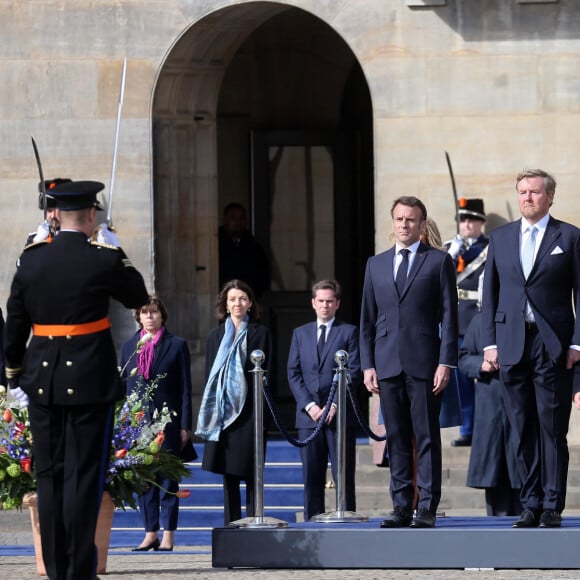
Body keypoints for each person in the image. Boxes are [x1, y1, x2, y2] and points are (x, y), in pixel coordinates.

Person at [3, 180, 148, 579]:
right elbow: (138, 295)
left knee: (49, 476)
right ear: (90, 215)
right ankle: (79, 571)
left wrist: (13, 371)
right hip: (89, 379)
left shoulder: (31, 259)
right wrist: (115, 248)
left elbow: (15, 322)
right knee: (85, 475)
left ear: (56, 215)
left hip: (43, 380)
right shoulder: (102, 258)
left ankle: (55, 569)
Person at [482, 168, 580, 528]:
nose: (527, 198)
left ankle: (552, 504)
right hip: (510, 342)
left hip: (551, 342)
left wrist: (577, 342)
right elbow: (489, 294)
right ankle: (531, 501)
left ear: (550, 196)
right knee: (520, 425)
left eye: (535, 192)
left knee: (551, 427)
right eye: (522, 192)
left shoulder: (569, 237)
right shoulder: (501, 237)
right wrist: (490, 342)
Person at [360, 196, 458, 529]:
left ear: (421, 224)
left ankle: (427, 506)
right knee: (397, 437)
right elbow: (367, 321)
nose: (404, 224)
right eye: (399, 219)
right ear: (393, 223)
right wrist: (367, 365)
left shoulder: (438, 262)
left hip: (425, 363)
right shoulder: (376, 264)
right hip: (387, 363)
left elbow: (450, 317)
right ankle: (401, 505)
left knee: (426, 435)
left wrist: (447, 362)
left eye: (411, 219)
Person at [195, 279, 272, 525]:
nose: (237, 303)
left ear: (250, 303)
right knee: (228, 476)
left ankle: (253, 523)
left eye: (242, 298)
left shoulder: (261, 333)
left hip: (251, 412)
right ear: (225, 305)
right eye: (232, 299)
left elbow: (267, 372)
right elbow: (210, 376)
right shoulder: (215, 336)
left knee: (252, 474)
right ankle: (232, 526)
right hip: (224, 414)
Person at [120, 295, 193, 552]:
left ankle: (168, 535)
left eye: (154, 312)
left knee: (168, 480)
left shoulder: (176, 344)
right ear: (138, 317)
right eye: (145, 312)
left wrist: (185, 424)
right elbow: (123, 386)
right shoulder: (129, 346)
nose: (149, 317)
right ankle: (149, 532)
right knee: (144, 480)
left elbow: (185, 387)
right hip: (138, 424)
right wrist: (123, 423)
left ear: (162, 316)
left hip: (168, 423)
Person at [287, 279, 361, 520]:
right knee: (311, 478)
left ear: (337, 303)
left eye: (330, 301)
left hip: (338, 417)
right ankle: (312, 527)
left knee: (343, 477)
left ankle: (347, 525)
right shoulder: (300, 333)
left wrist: (334, 404)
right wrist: (310, 406)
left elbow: (354, 371)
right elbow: (293, 372)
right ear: (313, 303)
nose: (325, 306)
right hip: (309, 418)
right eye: (321, 301)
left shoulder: (348, 332)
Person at [459, 301, 523, 516]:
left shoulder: (521, 318)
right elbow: (463, 357)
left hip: (517, 400)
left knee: (521, 470)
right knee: (493, 473)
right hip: (490, 404)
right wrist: (481, 365)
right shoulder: (478, 322)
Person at [446, 198, 489, 447]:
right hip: (458, 321)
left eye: (471, 219)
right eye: (463, 220)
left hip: (479, 321)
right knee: (461, 379)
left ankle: (484, 427)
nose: (467, 224)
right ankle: (468, 428)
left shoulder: (490, 248)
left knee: (485, 376)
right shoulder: (451, 249)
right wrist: (452, 253)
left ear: (481, 222)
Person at [218, 203, 270, 300]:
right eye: (233, 218)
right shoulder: (215, 245)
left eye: (242, 218)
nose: (238, 222)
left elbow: (262, 275)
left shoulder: (254, 247)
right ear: (225, 220)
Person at [26, 178, 72, 245]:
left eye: (57, 210)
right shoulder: (34, 238)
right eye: (49, 211)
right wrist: (38, 240)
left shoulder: (78, 237)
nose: (53, 215)